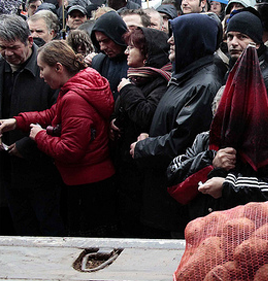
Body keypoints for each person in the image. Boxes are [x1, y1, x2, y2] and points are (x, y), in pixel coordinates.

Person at [0, 40, 117, 237]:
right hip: (92, 180)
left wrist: (40, 136)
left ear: (58, 68)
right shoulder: (79, 85)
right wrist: (16, 121)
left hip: (87, 185)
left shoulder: (74, 98)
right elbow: (52, 113)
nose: (40, 75)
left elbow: (70, 150)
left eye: (42, 69)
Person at [167, 46, 268, 220]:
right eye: (223, 115)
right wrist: (210, 161)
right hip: (206, 229)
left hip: (252, 233)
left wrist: (228, 186)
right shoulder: (205, 139)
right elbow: (174, 174)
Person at [130, 13, 223, 238]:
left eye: (176, 36)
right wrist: (148, 134)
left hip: (176, 195)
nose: (170, 41)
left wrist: (143, 147)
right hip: (162, 188)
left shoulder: (204, 84)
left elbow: (182, 141)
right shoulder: (185, 74)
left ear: (192, 40)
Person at [0, 14, 63, 236]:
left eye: (13, 47)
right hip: (7, 169)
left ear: (28, 40)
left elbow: (58, 117)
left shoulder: (46, 68)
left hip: (40, 167)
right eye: (2, 48)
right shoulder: (3, 66)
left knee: (47, 226)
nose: (8, 54)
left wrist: (27, 144)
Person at [111, 27, 171, 237]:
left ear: (148, 54)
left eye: (132, 48)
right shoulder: (135, 77)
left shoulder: (162, 82)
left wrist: (127, 90)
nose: (126, 52)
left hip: (142, 171)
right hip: (126, 166)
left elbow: (146, 115)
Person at [225, 9, 268, 140]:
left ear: (257, 44)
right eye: (230, 37)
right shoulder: (231, 72)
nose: (234, 43)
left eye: (242, 36)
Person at [90, 11, 129, 98]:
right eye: (99, 42)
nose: (102, 47)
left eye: (106, 41)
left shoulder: (137, 61)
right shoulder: (98, 62)